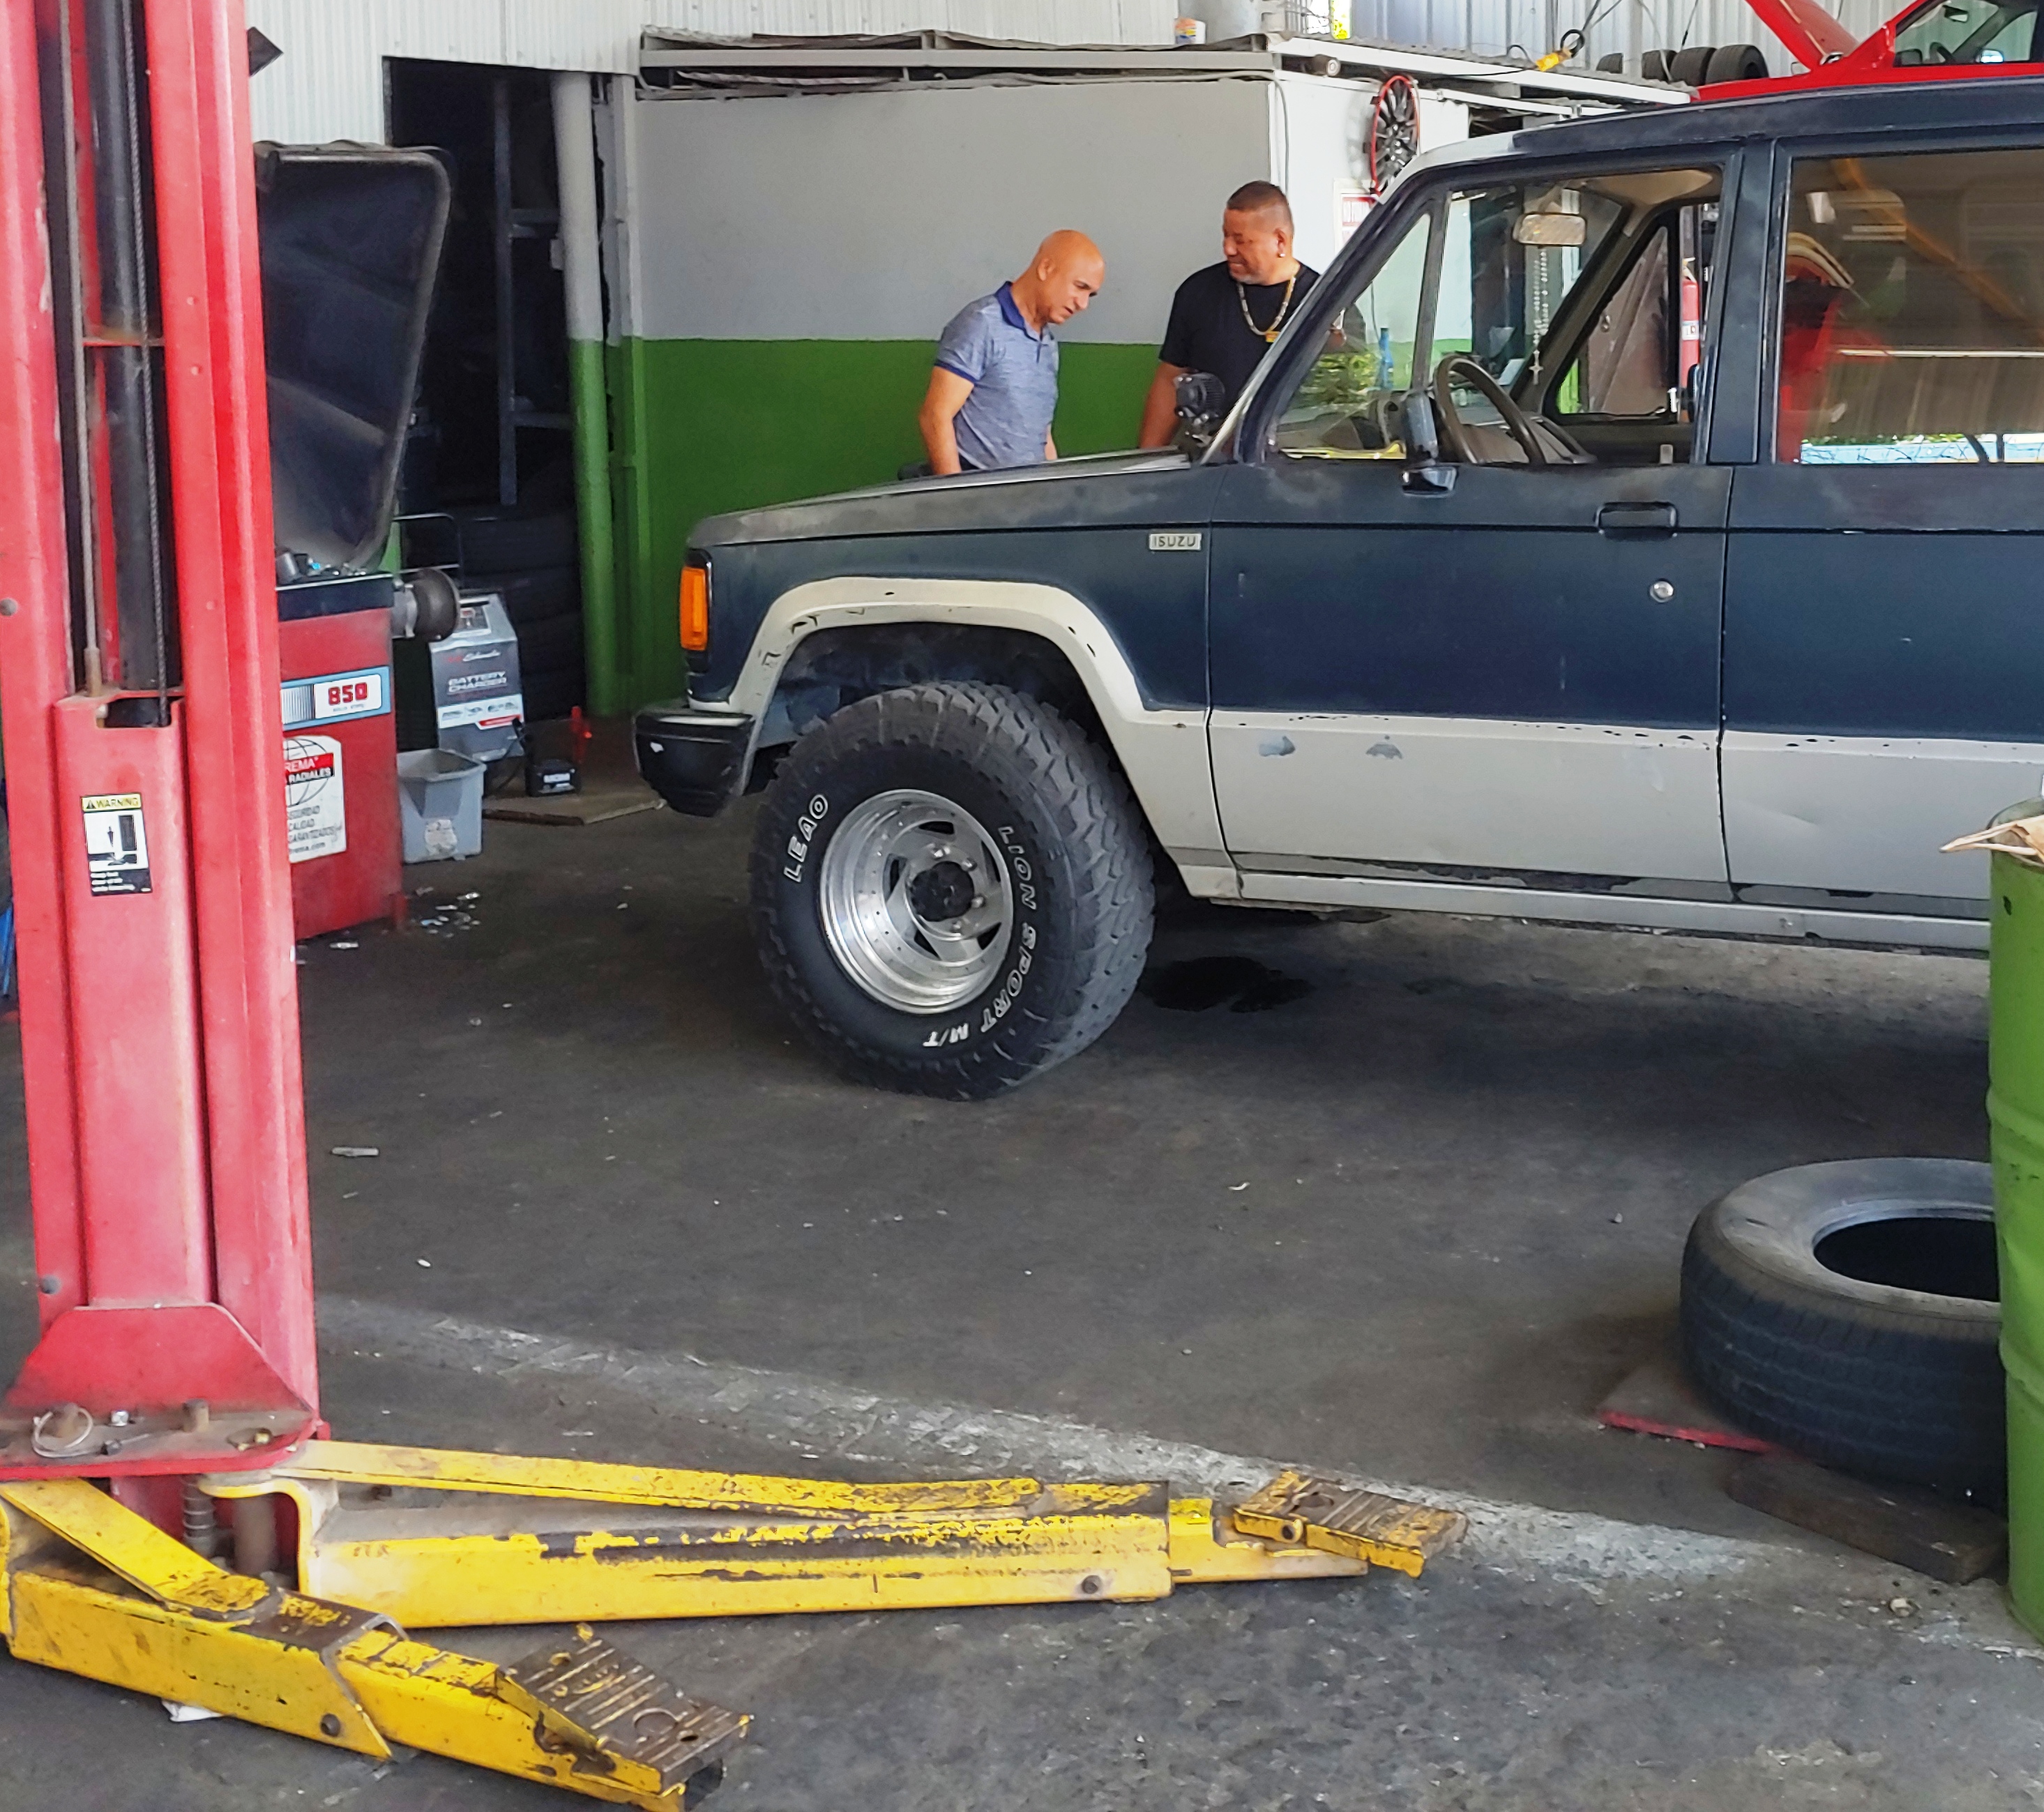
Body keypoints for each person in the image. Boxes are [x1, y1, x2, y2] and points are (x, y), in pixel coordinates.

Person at [1138, 182, 1319, 448]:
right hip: (1210, 453)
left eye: (1240, 240)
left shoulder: (1323, 302)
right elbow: (1170, 380)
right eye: (1225, 236)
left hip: (1296, 455)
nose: (1228, 249)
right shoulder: (1198, 292)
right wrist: (1147, 459)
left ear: (1280, 241)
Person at [918, 231, 1105, 475]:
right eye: (1080, 287)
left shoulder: (1048, 344)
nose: (1083, 304)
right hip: (980, 489)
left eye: (1090, 295)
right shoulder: (982, 323)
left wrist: (1056, 486)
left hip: (1029, 491)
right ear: (1046, 269)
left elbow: (1041, 434)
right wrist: (956, 493)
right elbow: (935, 416)